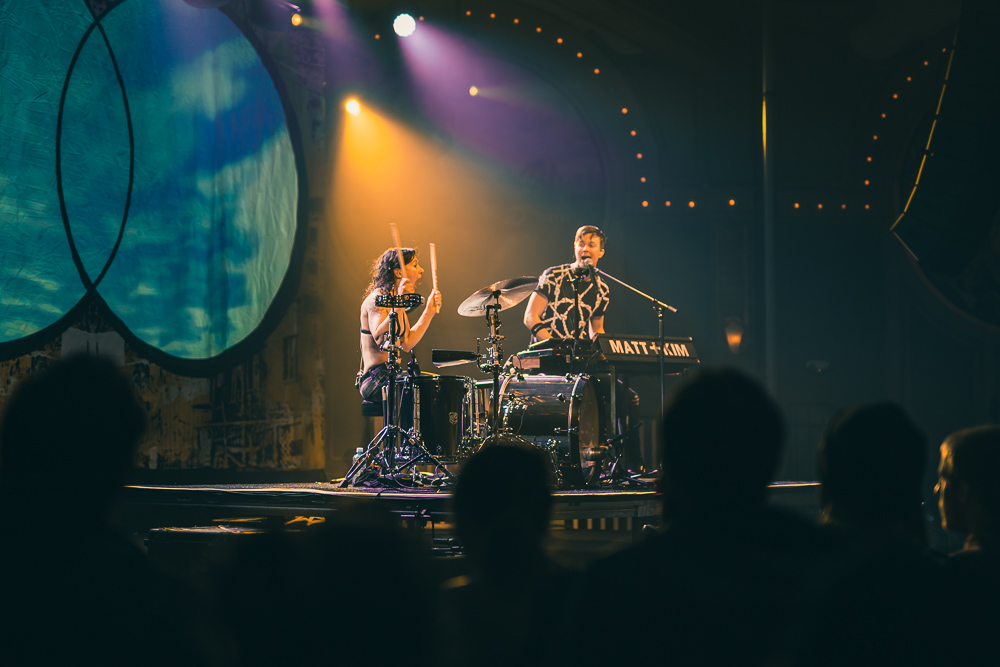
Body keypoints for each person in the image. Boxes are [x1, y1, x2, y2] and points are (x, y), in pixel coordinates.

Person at [357, 247, 442, 402]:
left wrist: (429, 312)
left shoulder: (395, 301)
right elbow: (381, 339)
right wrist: (399, 303)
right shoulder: (376, 300)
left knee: (437, 385)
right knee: (420, 391)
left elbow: (407, 342)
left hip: (391, 375)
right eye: (415, 265)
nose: (421, 270)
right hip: (374, 379)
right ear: (398, 273)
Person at [523, 225, 609, 342]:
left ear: (601, 252)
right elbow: (530, 317)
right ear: (575, 247)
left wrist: (603, 354)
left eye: (591, 245)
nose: (585, 249)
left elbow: (597, 329)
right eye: (581, 244)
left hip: (577, 356)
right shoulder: (553, 275)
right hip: (545, 354)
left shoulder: (602, 289)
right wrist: (556, 346)